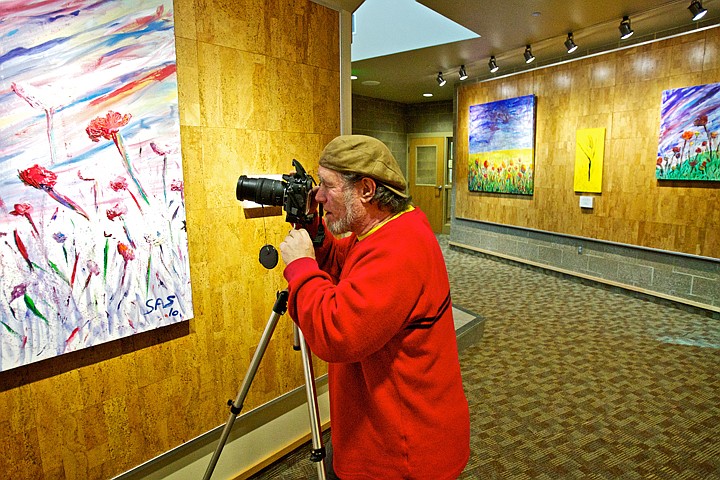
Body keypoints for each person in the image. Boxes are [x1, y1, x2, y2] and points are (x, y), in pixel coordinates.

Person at [279, 135, 470, 479]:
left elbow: (337, 334)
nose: (318, 197)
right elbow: (351, 268)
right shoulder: (388, 228)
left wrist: (302, 269)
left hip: (403, 452)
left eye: (327, 186)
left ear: (366, 189)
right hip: (395, 430)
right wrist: (316, 234)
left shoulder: (398, 250)